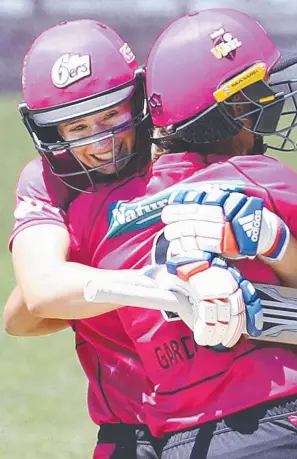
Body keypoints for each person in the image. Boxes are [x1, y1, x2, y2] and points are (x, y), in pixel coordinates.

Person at [63, 8, 297, 458]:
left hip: (172, 444)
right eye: (255, 96)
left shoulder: (94, 215)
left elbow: (30, 312)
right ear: (226, 112)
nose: (271, 104)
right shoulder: (261, 177)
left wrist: (278, 251)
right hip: (280, 420)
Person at [4, 19, 163, 459]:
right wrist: (158, 286)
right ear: (51, 133)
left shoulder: (177, 150)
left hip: (226, 414)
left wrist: (83, 279)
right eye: (76, 129)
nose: (101, 142)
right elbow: (30, 307)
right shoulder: (46, 179)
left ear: (135, 100)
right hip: (130, 433)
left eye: (111, 115)